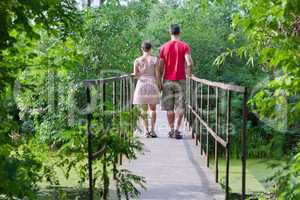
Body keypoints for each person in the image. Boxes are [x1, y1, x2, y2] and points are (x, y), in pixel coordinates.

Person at [159, 24, 193, 139]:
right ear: (180, 32)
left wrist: (159, 81)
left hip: (167, 80)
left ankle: (172, 129)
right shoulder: (184, 46)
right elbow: (189, 63)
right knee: (180, 106)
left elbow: (160, 66)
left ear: (170, 32)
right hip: (181, 80)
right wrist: (189, 75)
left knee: (169, 108)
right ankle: (177, 130)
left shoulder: (163, 47)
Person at [132, 41, 161, 138]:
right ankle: (153, 131)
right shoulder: (155, 60)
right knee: (152, 109)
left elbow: (135, 75)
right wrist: (159, 85)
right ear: (150, 49)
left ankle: (146, 131)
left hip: (141, 84)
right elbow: (157, 74)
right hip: (152, 83)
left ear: (142, 49)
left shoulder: (137, 60)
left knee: (143, 110)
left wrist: (140, 74)